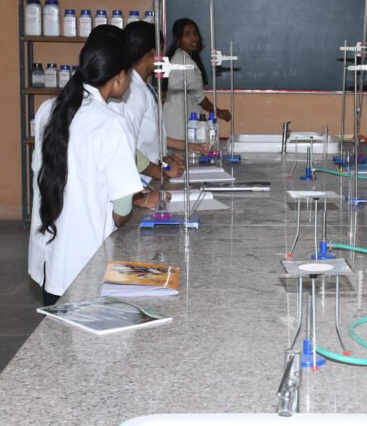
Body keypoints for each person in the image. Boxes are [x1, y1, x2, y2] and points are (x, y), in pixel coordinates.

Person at [28, 32, 145, 306]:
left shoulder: (48, 109)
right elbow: (122, 207)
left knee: (57, 323)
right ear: (119, 76)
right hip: (86, 263)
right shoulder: (111, 123)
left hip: (49, 255)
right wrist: (122, 215)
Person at [121, 21, 185, 179]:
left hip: (149, 175)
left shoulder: (145, 86)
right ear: (152, 54)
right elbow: (126, 148)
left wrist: (164, 162)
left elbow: (150, 140)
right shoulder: (134, 93)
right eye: (161, 50)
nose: (164, 56)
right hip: (139, 180)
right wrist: (161, 172)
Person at [162, 18, 231, 143]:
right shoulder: (183, 62)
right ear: (178, 39)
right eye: (187, 35)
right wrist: (219, 112)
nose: (194, 38)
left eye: (195, 34)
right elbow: (199, 97)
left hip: (182, 121)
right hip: (177, 125)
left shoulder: (185, 58)